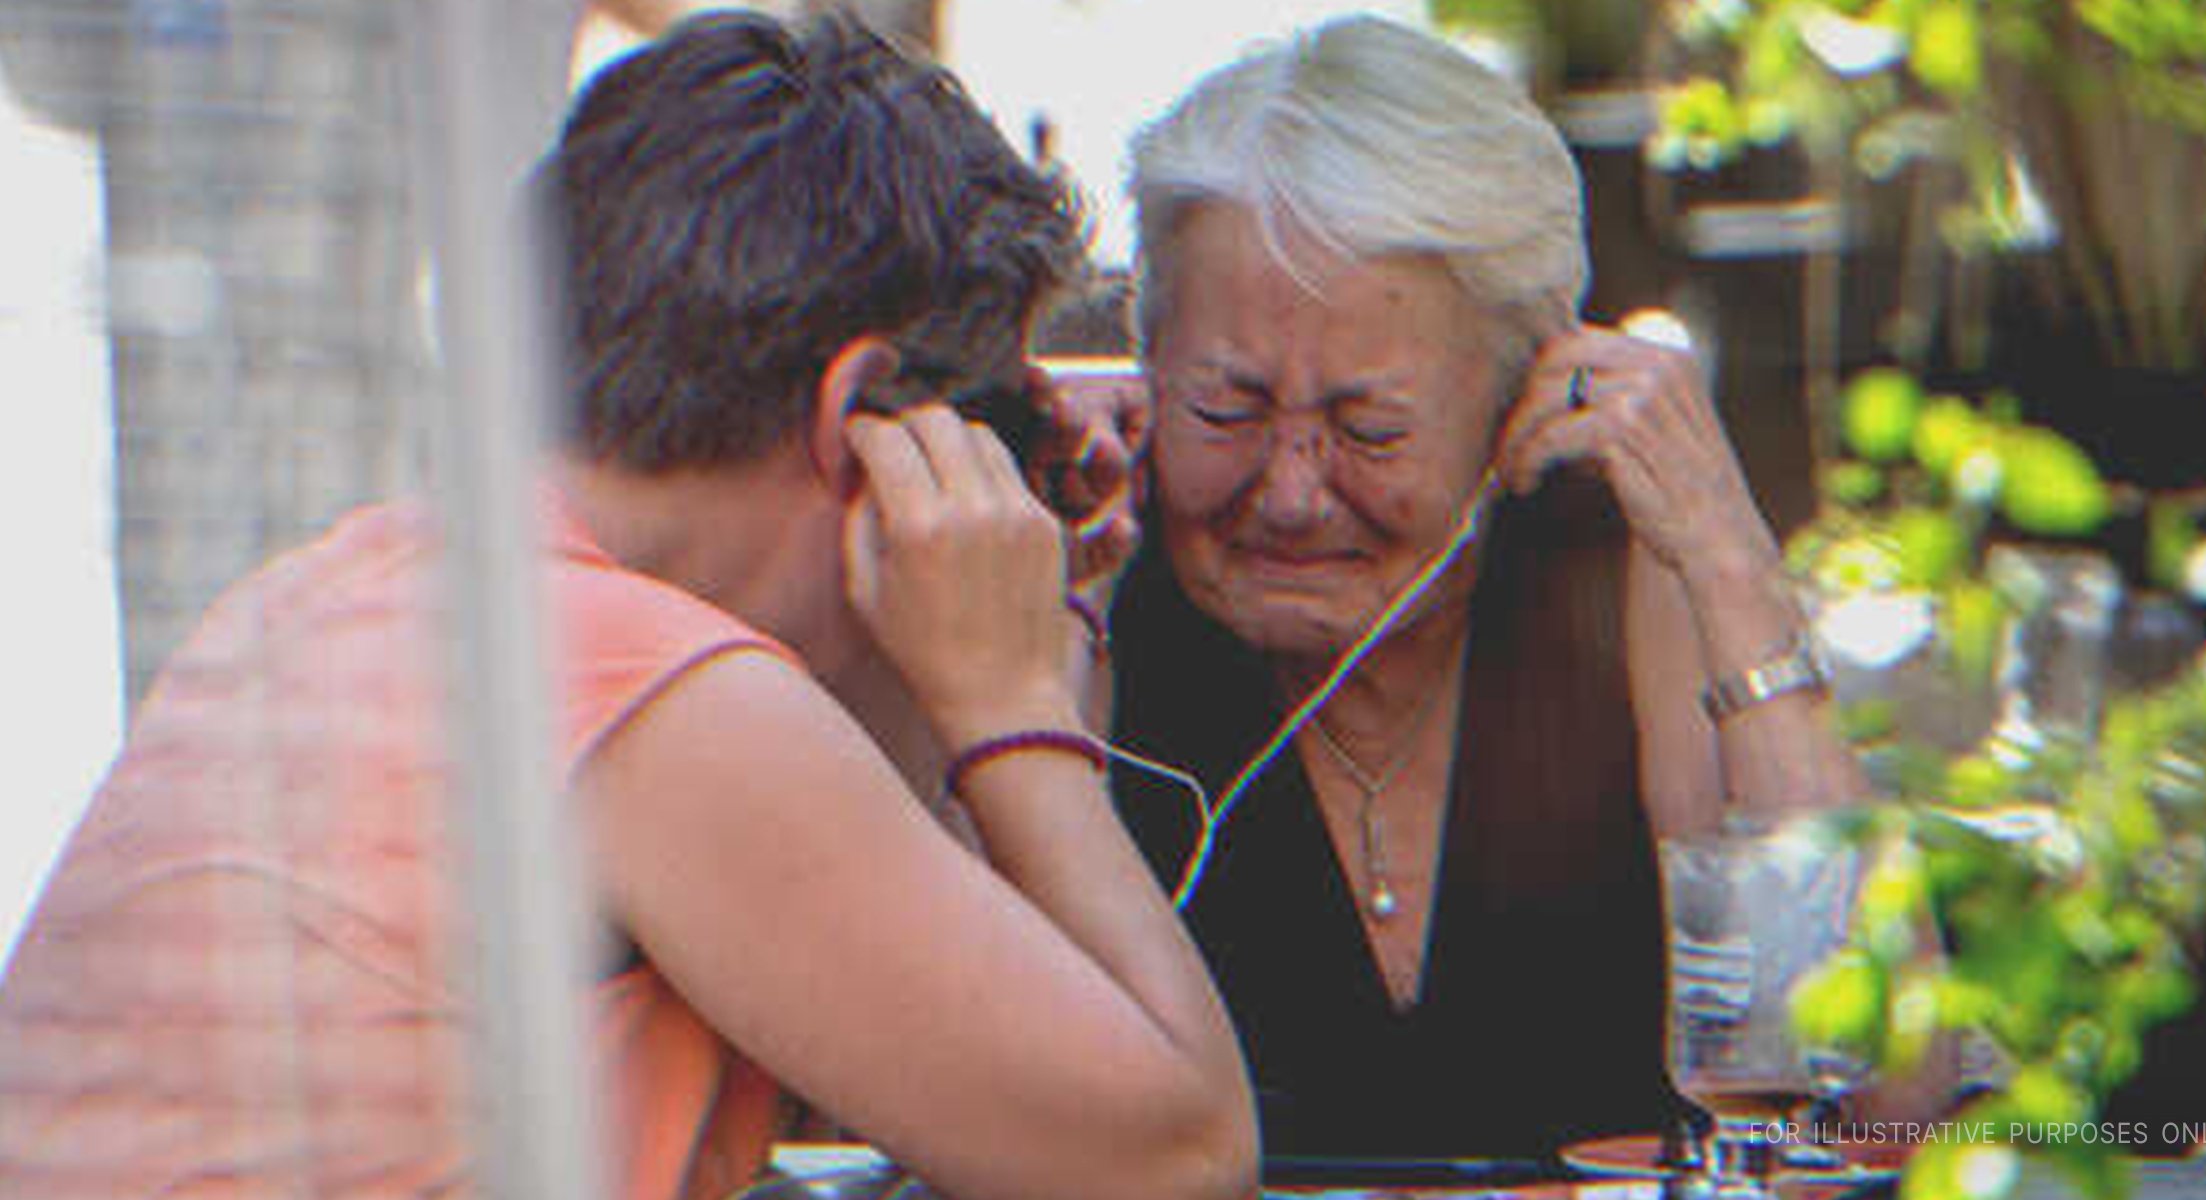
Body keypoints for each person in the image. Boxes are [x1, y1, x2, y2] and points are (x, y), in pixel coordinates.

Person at [0, 14, 1252, 1200]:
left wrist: (1055, 605)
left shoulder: (372, 591)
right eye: (987, 443)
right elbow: (1171, 1159)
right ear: (860, 422)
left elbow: (977, 1029)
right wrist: (1009, 690)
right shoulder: (657, 694)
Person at [1089, 14, 1871, 1159]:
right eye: (1226, 409)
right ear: (1146, 361)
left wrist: (1730, 562)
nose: (1293, 492)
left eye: (1371, 426)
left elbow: (1875, 1108)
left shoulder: (1617, 568)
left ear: (1527, 393)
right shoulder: (1090, 575)